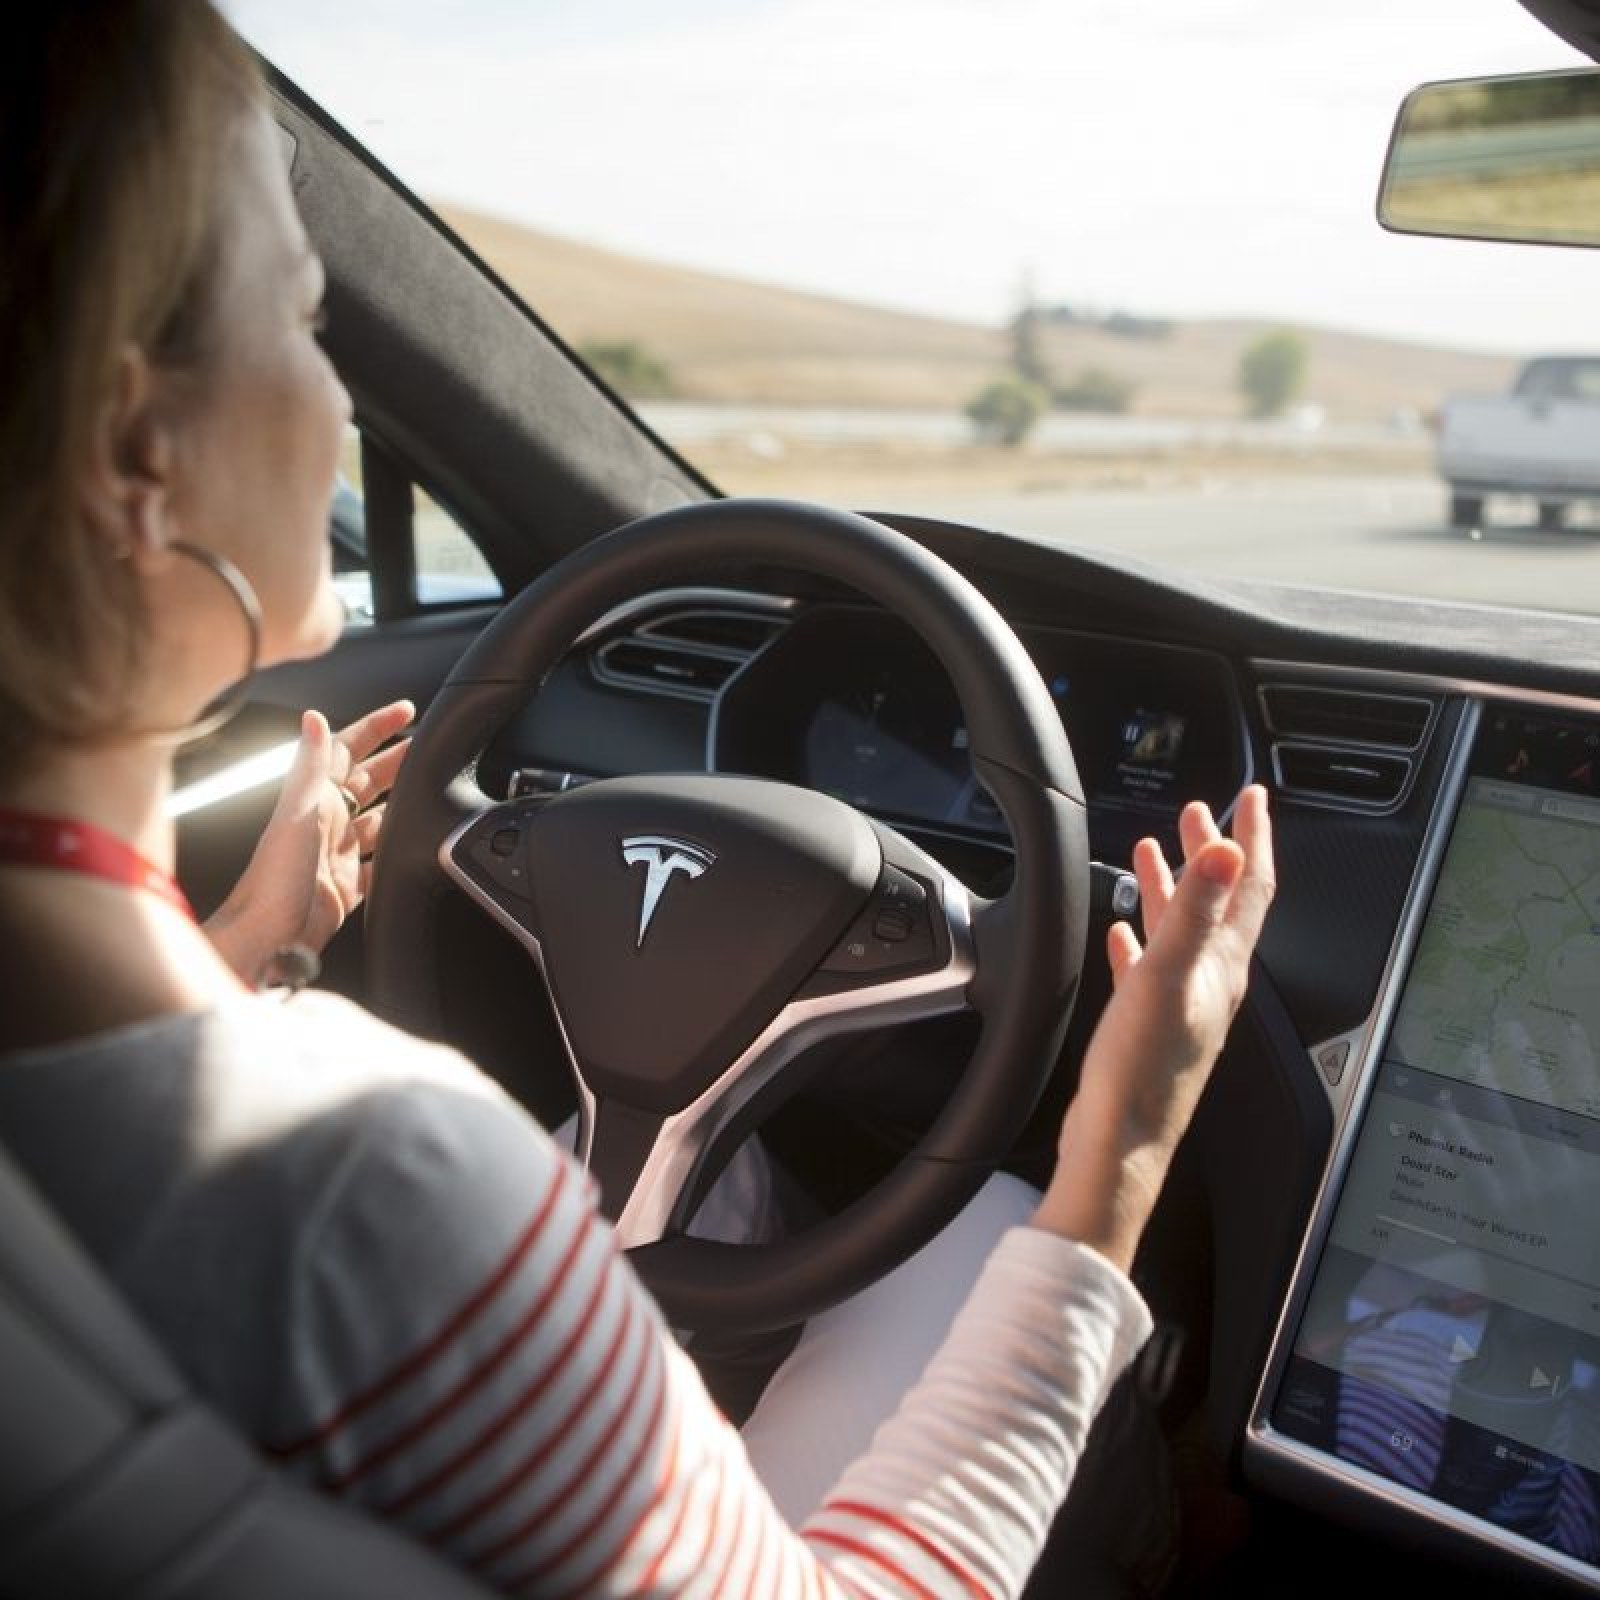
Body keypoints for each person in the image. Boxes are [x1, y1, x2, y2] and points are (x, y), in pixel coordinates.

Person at [0, 3, 1276, 1596]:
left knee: (729, 1187)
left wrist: (246, 958)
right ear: (139, 455)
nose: (339, 412)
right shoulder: (382, 1183)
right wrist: (1122, 1155)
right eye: (308, 320)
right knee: (977, 1235)